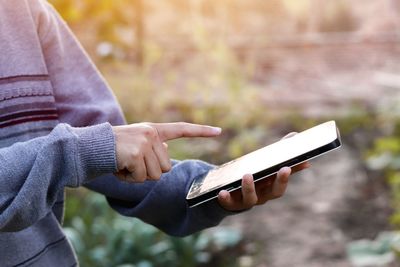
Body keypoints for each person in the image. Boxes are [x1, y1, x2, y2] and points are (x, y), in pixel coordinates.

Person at [0, 0, 309, 266]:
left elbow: (108, 156)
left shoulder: (25, 10)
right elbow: (86, 149)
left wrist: (210, 187)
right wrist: (83, 151)